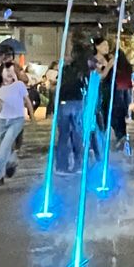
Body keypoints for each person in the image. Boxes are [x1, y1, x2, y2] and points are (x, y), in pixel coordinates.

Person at [0, 57, 30, 185]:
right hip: (1, 119)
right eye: (7, 71)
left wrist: (32, 118)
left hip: (16, 120)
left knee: (5, 145)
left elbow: (27, 101)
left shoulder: (19, 85)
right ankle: (12, 161)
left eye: (12, 72)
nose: (9, 74)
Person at [55, 37, 91, 176]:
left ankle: (62, 166)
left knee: (64, 135)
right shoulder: (85, 69)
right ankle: (78, 164)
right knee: (77, 134)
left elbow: (60, 85)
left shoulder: (66, 68)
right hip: (78, 102)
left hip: (64, 102)